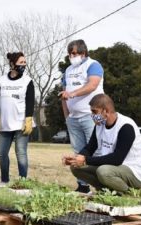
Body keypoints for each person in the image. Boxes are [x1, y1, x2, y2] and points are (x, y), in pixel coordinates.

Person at [62, 94, 141, 193]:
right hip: (112, 168)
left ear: (106, 111)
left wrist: (85, 160)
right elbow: (90, 147)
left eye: (94, 112)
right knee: (75, 167)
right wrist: (76, 159)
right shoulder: (100, 125)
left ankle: (129, 193)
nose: (92, 115)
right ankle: (106, 191)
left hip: (134, 172)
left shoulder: (126, 126)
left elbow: (117, 159)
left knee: (103, 171)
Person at [60, 39, 104, 193]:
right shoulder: (68, 70)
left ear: (83, 53)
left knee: (97, 150)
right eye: (69, 54)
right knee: (78, 152)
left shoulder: (93, 65)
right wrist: (67, 116)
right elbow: (64, 94)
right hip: (74, 118)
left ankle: (102, 186)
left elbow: (92, 85)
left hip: (91, 116)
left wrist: (72, 94)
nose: (71, 56)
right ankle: (82, 186)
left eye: (74, 53)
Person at [0, 52, 35, 187]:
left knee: (20, 153)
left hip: (21, 124)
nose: (23, 65)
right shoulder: (2, 80)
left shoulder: (27, 81)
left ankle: (22, 182)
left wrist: (28, 119)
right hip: (5, 124)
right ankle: (4, 180)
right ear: (12, 64)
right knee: (1, 152)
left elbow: (30, 101)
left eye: (24, 63)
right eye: (21, 63)